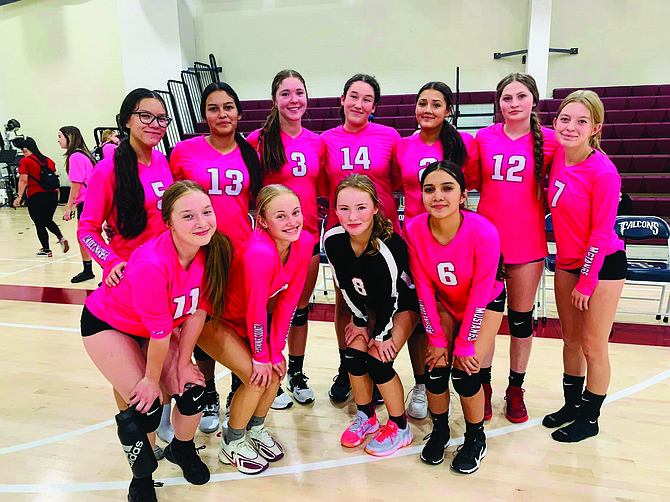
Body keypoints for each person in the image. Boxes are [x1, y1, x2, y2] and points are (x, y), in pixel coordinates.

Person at [81, 180, 233, 501]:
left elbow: (198, 311)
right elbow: (160, 333)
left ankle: (182, 448)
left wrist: (183, 363)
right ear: (169, 224)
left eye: (207, 211)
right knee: (145, 405)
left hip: (155, 331)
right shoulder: (152, 263)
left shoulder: (212, 249)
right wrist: (153, 380)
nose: (202, 222)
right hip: (110, 325)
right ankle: (142, 478)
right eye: (188, 216)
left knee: (193, 392)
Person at [78, 88, 175, 451]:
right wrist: (112, 261)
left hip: (166, 283)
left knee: (156, 370)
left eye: (161, 118)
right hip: (129, 288)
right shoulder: (107, 170)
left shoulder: (164, 163)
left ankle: (155, 434)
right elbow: (86, 230)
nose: (154, 124)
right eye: (145, 116)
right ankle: (140, 451)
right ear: (126, 120)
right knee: (130, 379)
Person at [195, 184, 314, 475]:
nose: (292, 222)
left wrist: (274, 352)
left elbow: (288, 303)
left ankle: (255, 429)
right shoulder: (260, 252)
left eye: (296, 213)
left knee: (275, 372)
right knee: (256, 376)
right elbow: (257, 310)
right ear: (262, 221)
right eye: (281, 216)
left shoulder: (304, 241)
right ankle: (232, 442)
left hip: (246, 320)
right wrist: (262, 355)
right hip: (215, 319)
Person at [170, 81, 262, 432]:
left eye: (228, 107)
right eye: (213, 108)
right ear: (204, 114)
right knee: (201, 324)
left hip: (238, 253)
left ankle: (239, 388)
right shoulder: (184, 151)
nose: (221, 114)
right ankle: (206, 392)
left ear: (239, 113)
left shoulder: (249, 152)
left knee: (235, 323)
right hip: (197, 254)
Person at [467, 73, 559, 423]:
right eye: (507, 98)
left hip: (528, 245)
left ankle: (515, 388)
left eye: (521, 96)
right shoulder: (484, 138)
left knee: (521, 321)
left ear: (534, 100)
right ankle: (484, 385)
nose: (514, 103)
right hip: (487, 243)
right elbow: (471, 183)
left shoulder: (550, 141)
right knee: (485, 319)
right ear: (499, 103)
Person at [405, 161, 505, 474]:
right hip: (445, 302)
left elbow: (480, 293)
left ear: (463, 195)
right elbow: (423, 288)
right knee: (434, 368)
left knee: (465, 372)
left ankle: (476, 438)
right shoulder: (414, 229)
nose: (437, 196)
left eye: (447, 188)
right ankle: (441, 431)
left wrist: (464, 344)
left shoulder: (484, 231)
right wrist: (435, 340)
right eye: (429, 189)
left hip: (485, 303)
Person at [543, 90, 626, 443]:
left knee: (593, 346)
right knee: (571, 341)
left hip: (602, 265)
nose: (571, 127)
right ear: (555, 122)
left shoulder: (603, 172)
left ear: (596, 128)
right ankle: (571, 405)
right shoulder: (557, 154)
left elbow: (600, 232)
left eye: (581, 121)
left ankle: (589, 420)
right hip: (566, 262)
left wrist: (586, 282)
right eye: (565, 119)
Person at [394, 81, 479, 419]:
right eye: (422, 103)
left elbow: (470, 190)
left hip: (452, 240)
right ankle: (422, 381)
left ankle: (472, 380)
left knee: (458, 309)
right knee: (420, 313)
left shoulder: (465, 145)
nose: (427, 110)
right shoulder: (401, 147)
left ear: (448, 110)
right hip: (415, 241)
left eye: (436, 104)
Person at [246, 69, 327, 407]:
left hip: (305, 236)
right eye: (286, 93)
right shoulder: (258, 140)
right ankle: (266, 371)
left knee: (298, 307)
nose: (294, 100)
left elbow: (320, 187)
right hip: (269, 242)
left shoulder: (316, 141)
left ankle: (295, 372)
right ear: (275, 99)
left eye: (299, 93)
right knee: (265, 308)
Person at [324, 174, 418, 456]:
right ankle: (366, 416)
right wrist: (359, 322)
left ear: (376, 207)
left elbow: (392, 298)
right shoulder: (332, 240)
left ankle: (401, 428)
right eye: (344, 208)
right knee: (353, 353)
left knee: (378, 361)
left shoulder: (388, 247)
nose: (352, 216)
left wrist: (380, 335)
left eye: (361, 207)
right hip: (367, 307)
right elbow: (345, 287)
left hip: (402, 306)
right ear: (335, 209)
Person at [321, 74, 401, 402]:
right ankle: (347, 364)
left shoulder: (390, 137)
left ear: (375, 107)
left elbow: (396, 180)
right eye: (353, 96)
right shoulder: (325, 139)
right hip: (345, 231)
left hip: (382, 232)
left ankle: (379, 363)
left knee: (382, 300)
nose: (358, 104)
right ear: (342, 99)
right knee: (346, 300)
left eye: (366, 99)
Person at [13, 137, 69, 256]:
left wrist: (19, 196)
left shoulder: (25, 161)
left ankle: (46, 249)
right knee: (48, 219)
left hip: (36, 195)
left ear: (24, 149)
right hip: (52, 195)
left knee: (39, 222)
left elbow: (23, 180)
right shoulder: (49, 160)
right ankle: (60, 237)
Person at [58, 126, 97, 283]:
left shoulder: (75, 156)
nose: (58, 140)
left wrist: (68, 207)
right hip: (93, 199)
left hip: (86, 201)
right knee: (87, 236)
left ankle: (93, 270)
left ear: (69, 137)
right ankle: (91, 269)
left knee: (85, 236)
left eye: (60, 136)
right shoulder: (84, 154)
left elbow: (76, 184)